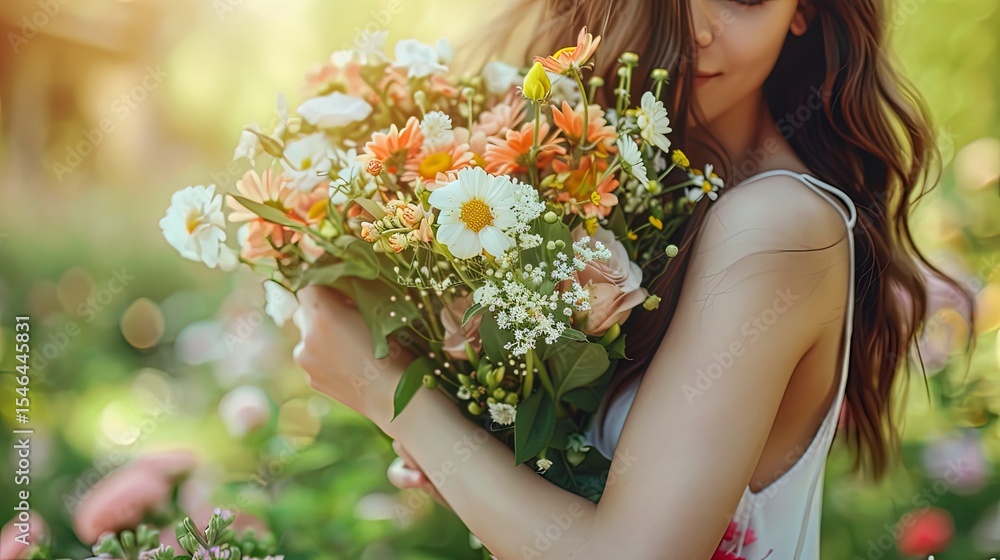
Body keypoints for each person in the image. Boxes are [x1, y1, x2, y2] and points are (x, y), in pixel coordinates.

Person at [291, 0, 975, 557]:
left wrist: (388, 393)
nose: (700, 28)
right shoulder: (622, 201)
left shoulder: (777, 226)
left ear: (802, 12)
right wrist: (470, 460)